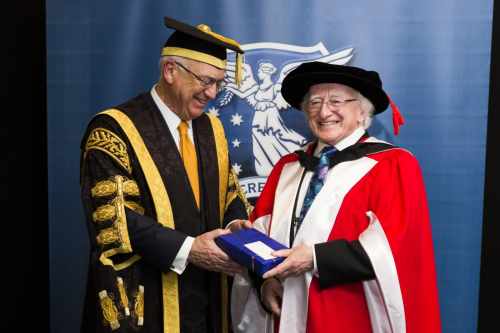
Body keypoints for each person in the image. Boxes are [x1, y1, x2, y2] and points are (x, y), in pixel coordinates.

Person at [231, 61, 442, 333]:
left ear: (362, 112)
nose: (324, 111)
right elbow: (261, 232)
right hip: (284, 313)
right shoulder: (288, 167)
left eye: (336, 101)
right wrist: (264, 281)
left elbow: (395, 246)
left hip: (350, 315)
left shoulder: (393, 165)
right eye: (315, 102)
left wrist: (316, 258)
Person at [79, 16, 252, 333]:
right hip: (145, 301)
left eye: (219, 83)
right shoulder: (114, 129)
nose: (212, 93)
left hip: (208, 298)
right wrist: (191, 250)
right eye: (205, 81)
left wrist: (234, 224)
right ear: (170, 71)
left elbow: (230, 193)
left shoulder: (211, 129)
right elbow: (116, 220)